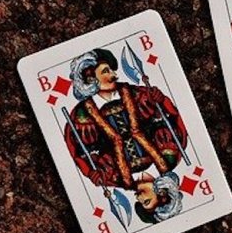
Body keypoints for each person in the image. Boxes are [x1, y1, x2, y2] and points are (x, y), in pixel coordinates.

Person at [65, 48, 187, 217]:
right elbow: (78, 146)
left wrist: (160, 101)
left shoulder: (112, 178)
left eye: (140, 202)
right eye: (106, 71)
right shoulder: (170, 158)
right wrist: (161, 102)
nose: (114, 75)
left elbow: (169, 119)